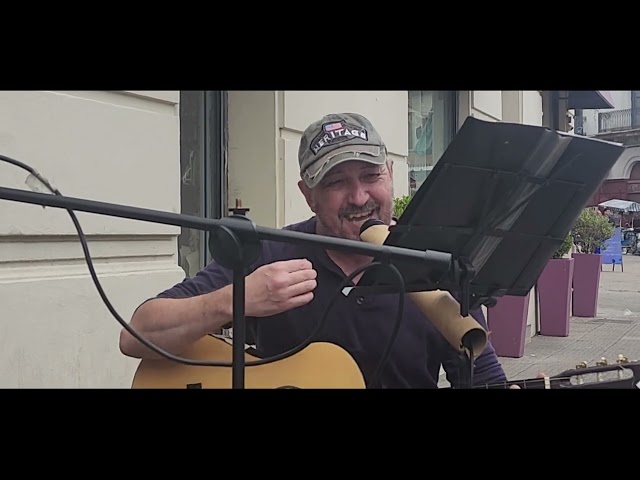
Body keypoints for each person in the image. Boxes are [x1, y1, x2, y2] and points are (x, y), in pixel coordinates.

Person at [119, 112, 510, 389]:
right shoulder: (272, 252)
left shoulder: (435, 266)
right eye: (337, 182)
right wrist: (238, 299)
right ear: (308, 196)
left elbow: (483, 376)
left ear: (390, 175)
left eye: (371, 176)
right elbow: (135, 336)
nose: (359, 197)